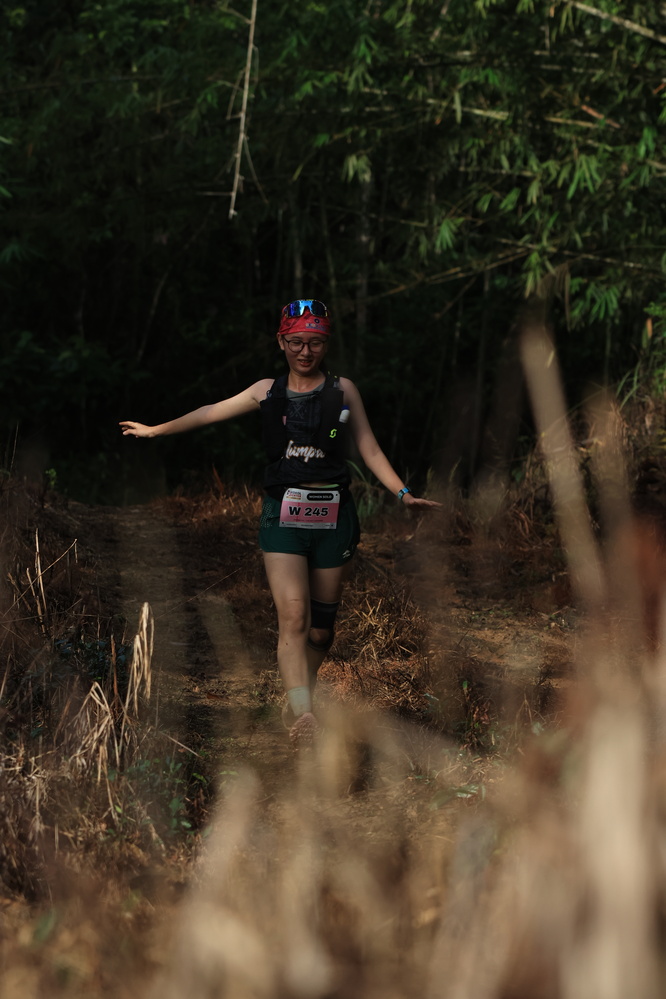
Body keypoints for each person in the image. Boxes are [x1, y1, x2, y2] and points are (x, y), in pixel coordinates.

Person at [120, 299, 439, 747]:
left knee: (321, 629)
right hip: (283, 515)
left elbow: (369, 448)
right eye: (296, 342)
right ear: (281, 342)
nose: (305, 352)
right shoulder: (266, 391)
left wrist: (403, 494)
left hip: (334, 517)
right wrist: (157, 429)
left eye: (315, 343)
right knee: (293, 616)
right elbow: (210, 410)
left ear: (326, 344)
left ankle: (300, 690)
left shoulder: (343, 390)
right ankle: (303, 712)